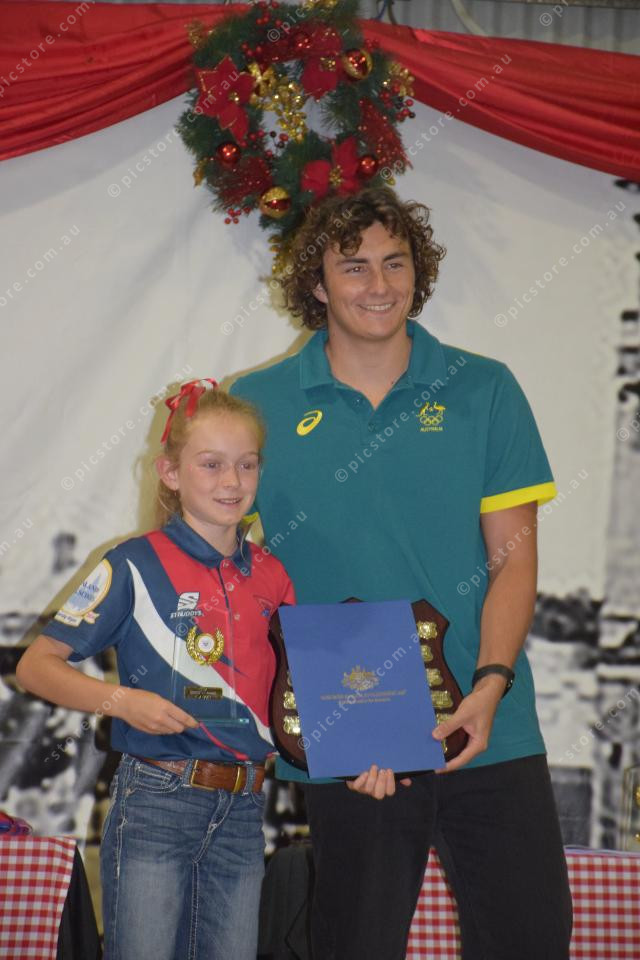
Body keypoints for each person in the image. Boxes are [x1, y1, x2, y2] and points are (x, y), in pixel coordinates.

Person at [230, 187, 572, 960]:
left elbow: (514, 561)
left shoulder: (485, 389)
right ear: (318, 284)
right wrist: (311, 718)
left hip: (487, 728)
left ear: (419, 273)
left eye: (395, 262)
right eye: (353, 266)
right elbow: (222, 570)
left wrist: (490, 686)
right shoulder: (256, 403)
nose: (378, 284)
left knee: (532, 941)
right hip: (350, 743)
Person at [16, 380, 295, 960]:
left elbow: (302, 689)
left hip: (245, 808)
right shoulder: (133, 563)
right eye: (211, 464)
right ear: (170, 472)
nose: (232, 480)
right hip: (157, 800)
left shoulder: (273, 574)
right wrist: (120, 701)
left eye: (246, 464)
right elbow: (36, 667)